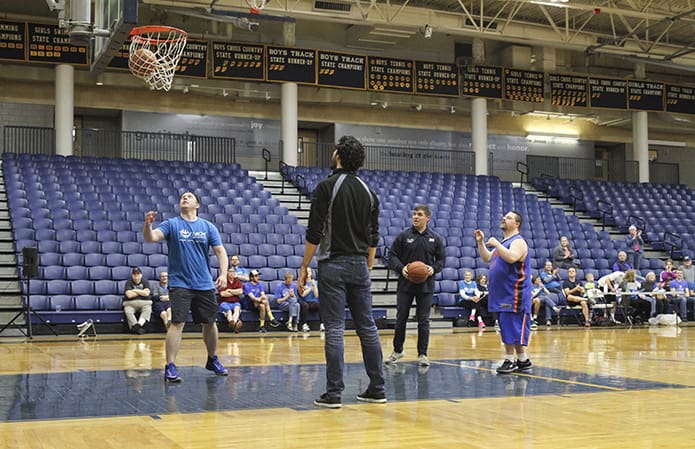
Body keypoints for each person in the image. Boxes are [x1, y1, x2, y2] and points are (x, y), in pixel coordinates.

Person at [298, 135, 386, 408]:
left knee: (335, 328)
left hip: (333, 263)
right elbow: (374, 237)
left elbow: (315, 231)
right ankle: (377, 388)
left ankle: (334, 393)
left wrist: (304, 266)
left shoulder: (326, 187)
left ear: (337, 155)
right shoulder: (369, 193)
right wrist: (368, 265)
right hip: (360, 264)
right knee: (367, 327)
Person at [143, 191, 229, 383]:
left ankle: (212, 358)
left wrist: (223, 274)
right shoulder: (172, 224)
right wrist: (148, 225)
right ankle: (170, 365)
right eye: (183, 196)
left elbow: (220, 252)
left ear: (197, 204)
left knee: (210, 323)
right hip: (180, 283)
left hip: (204, 283)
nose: (184, 197)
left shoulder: (207, 226)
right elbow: (151, 238)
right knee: (177, 323)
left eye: (189, 196)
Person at [386, 204, 445, 366]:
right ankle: (398, 351)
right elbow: (391, 255)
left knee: (423, 320)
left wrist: (433, 269)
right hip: (405, 284)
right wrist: (401, 268)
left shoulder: (435, 238)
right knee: (400, 319)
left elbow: (441, 261)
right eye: (414, 214)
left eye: (419, 214)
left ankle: (423, 354)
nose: (416, 217)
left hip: (426, 286)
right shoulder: (403, 236)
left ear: (427, 218)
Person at [475, 210, 533, 374]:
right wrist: (481, 243)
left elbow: (512, 257)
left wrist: (497, 244)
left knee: (511, 326)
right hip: (502, 293)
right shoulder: (505, 242)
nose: (503, 218)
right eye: (504, 216)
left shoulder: (518, 242)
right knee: (506, 326)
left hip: (514, 293)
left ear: (517, 224)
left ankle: (509, 359)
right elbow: (487, 258)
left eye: (508, 217)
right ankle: (522, 359)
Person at [122, 267, 152, 335]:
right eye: (134, 274)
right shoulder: (129, 282)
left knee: (148, 309)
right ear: (132, 275)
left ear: (141, 275)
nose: (136, 276)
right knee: (128, 311)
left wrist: (134, 290)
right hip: (130, 303)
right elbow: (129, 295)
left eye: (138, 274)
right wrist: (142, 292)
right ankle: (138, 328)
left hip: (145, 303)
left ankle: (137, 326)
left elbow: (147, 293)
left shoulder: (145, 281)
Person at [218, 268, 244, 333]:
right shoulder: (223, 281)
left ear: (235, 273)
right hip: (224, 302)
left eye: (233, 272)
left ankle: (232, 323)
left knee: (237, 309)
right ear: (227, 273)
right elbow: (223, 294)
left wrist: (229, 291)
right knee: (228, 311)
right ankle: (234, 323)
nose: (231, 273)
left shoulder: (237, 281)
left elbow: (240, 291)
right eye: (230, 272)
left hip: (235, 302)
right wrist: (235, 293)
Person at [297, 267, 321, 332]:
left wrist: (315, 286)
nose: (308, 273)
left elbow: (316, 295)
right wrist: (310, 287)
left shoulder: (314, 282)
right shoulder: (301, 282)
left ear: (311, 273)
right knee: (305, 305)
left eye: (309, 271)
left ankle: (322, 324)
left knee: (320, 304)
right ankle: (304, 324)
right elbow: (303, 294)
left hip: (312, 302)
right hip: (303, 302)